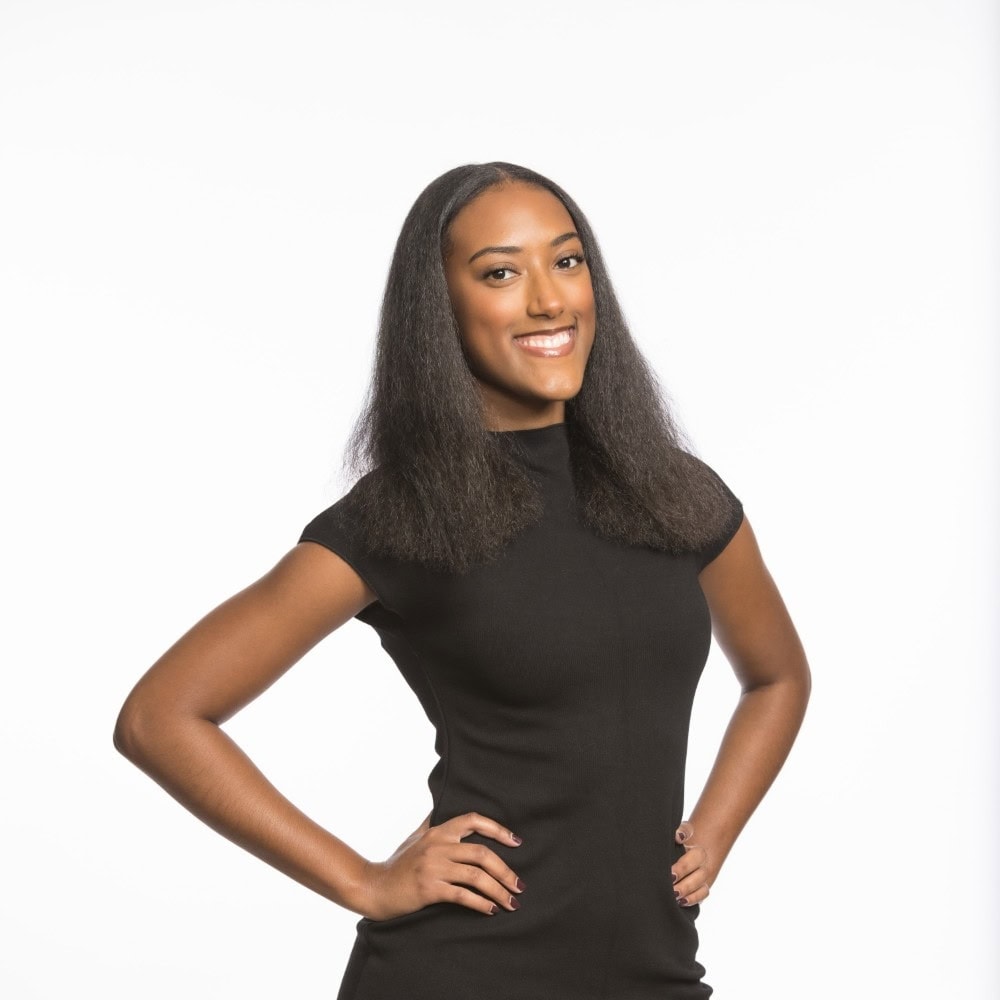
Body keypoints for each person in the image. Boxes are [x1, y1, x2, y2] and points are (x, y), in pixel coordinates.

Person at [114, 161, 811, 999]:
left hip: (653, 973)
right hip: (460, 973)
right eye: (501, 274)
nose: (550, 300)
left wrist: (715, 830)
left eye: (567, 261)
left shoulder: (676, 494)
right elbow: (161, 716)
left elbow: (777, 678)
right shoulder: (402, 517)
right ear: (439, 307)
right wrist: (362, 880)